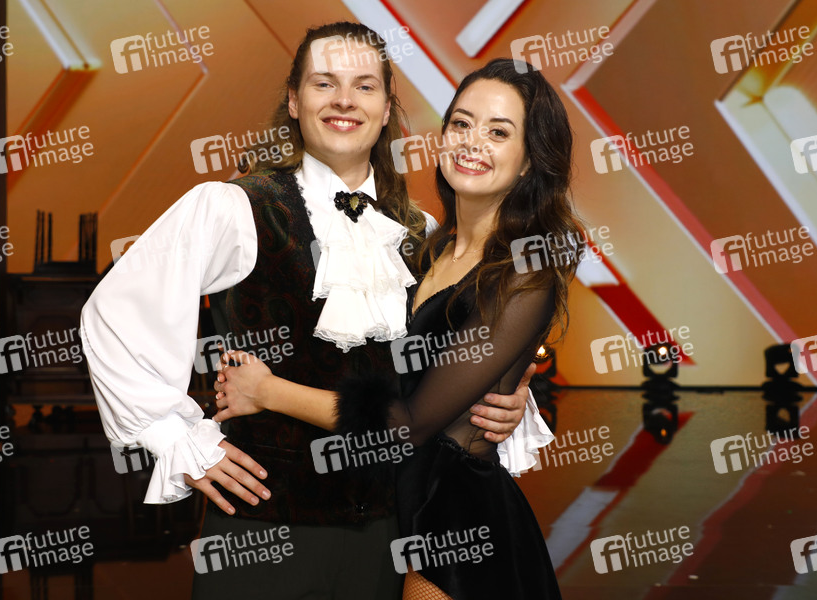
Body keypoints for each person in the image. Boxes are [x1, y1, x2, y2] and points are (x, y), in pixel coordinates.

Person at [80, 23, 548, 600]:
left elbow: (440, 369)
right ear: (294, 101)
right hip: (261, 527)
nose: (344, 100)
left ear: (386, 110)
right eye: (324, 83)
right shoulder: (232, 207)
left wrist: (501, 402)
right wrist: (180, 441)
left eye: (364, 86)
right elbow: (113, 315)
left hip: (389, 535)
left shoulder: (420, 234)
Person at [213, 57, 579, 599]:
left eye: (499, 132)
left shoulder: (524, 275)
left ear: (529, 161)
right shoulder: (424, 249)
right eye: (461, 123)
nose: (472, 142)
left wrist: (266, 391)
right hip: (398, 509)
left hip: (458, 524)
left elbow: (408, 424)